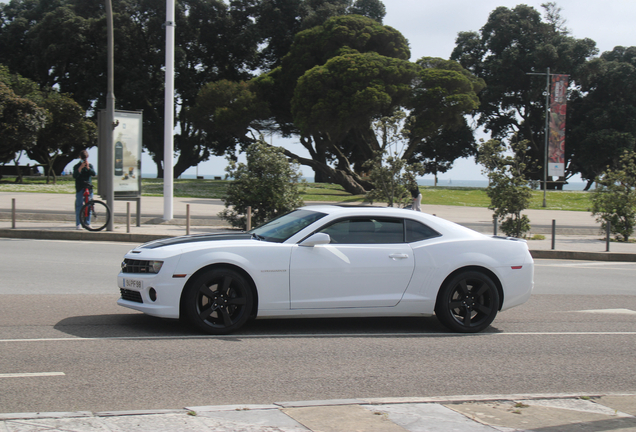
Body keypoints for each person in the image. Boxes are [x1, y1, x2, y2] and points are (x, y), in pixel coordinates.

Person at [73, 150, 96, 229]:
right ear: (80, 157)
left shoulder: (90, 165)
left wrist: (88, 168)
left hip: (88, 188)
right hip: (80, 187)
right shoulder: (76, 166)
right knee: (79, 206)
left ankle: (87, 222)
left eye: (85, 158)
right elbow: (75, 175)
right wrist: (80, 168)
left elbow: (93, 173)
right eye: (83, 158)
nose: (84, 160)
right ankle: (78, 223)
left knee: (89, 205)